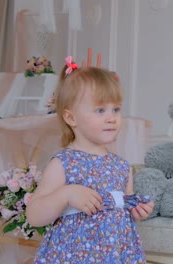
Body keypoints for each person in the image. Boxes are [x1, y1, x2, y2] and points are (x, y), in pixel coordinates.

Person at [26, 56, 154, 263]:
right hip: (73, 256)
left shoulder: (121, 165)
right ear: (71, 118)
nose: (111, 117)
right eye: (100, 110)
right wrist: (66, 194)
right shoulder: (64, 162)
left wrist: (137, 208)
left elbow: (124, 204)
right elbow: (34, 215)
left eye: (116, 109)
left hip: (116, 255)